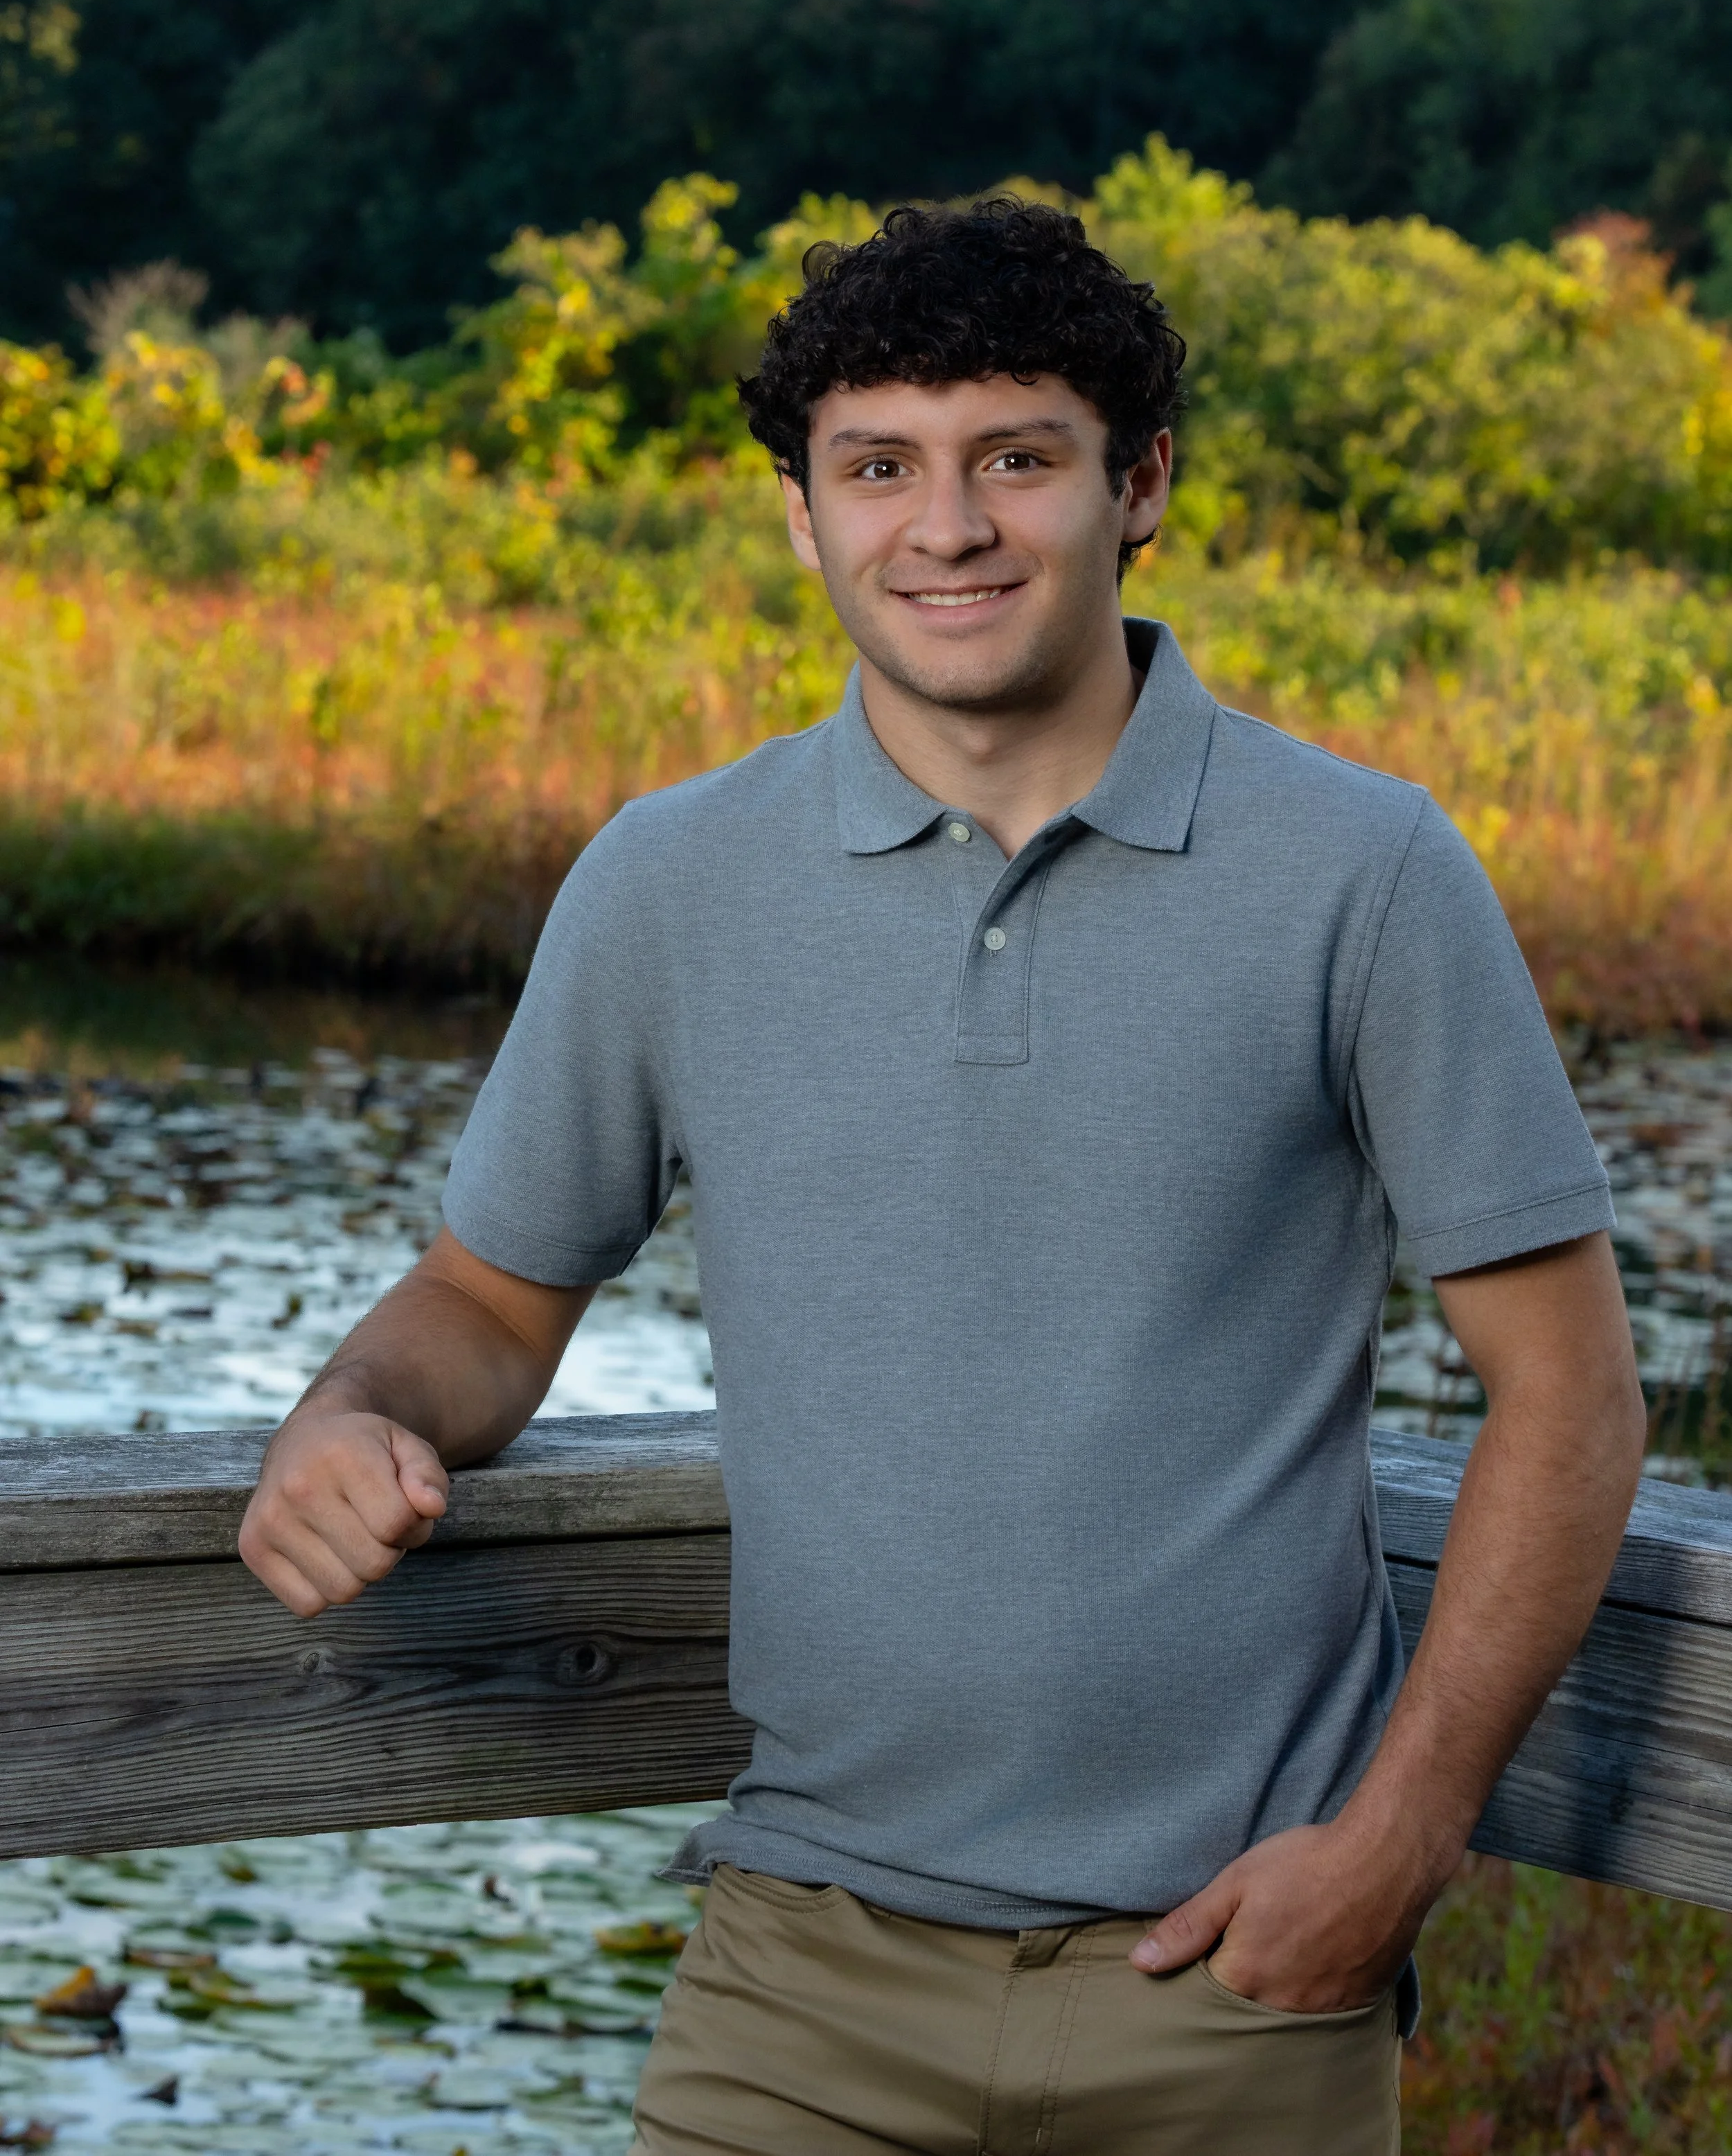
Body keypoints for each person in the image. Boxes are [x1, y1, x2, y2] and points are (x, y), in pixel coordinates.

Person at [240, 199, 1647, 2155]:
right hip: (795, 1983)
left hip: (1230, 1989)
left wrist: (1396, 1843)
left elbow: (1569, 1396)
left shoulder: (1366, 874)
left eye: (1015, 456)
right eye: (877, 465)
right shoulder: (668, 881)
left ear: (1134, 482)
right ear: (802, 517)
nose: (947, 524)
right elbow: (486, 1304)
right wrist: (355, 1406)